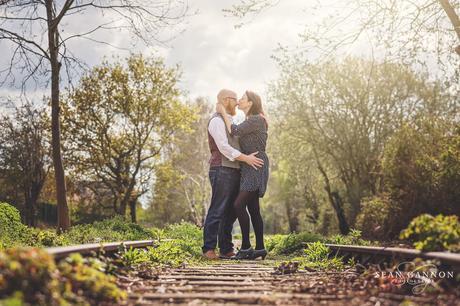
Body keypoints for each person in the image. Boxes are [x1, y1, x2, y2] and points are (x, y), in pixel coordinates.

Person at [202, 89, 264, 260]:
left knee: (230, 213)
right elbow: (223, 147)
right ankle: (208, 249)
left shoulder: (231, 121)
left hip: (235, 170)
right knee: (217, 210)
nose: (237, 102)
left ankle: (226, 248)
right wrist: (246, 158)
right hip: (221, 169)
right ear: (225, 100)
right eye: (235, 99)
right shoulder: (216, 121)